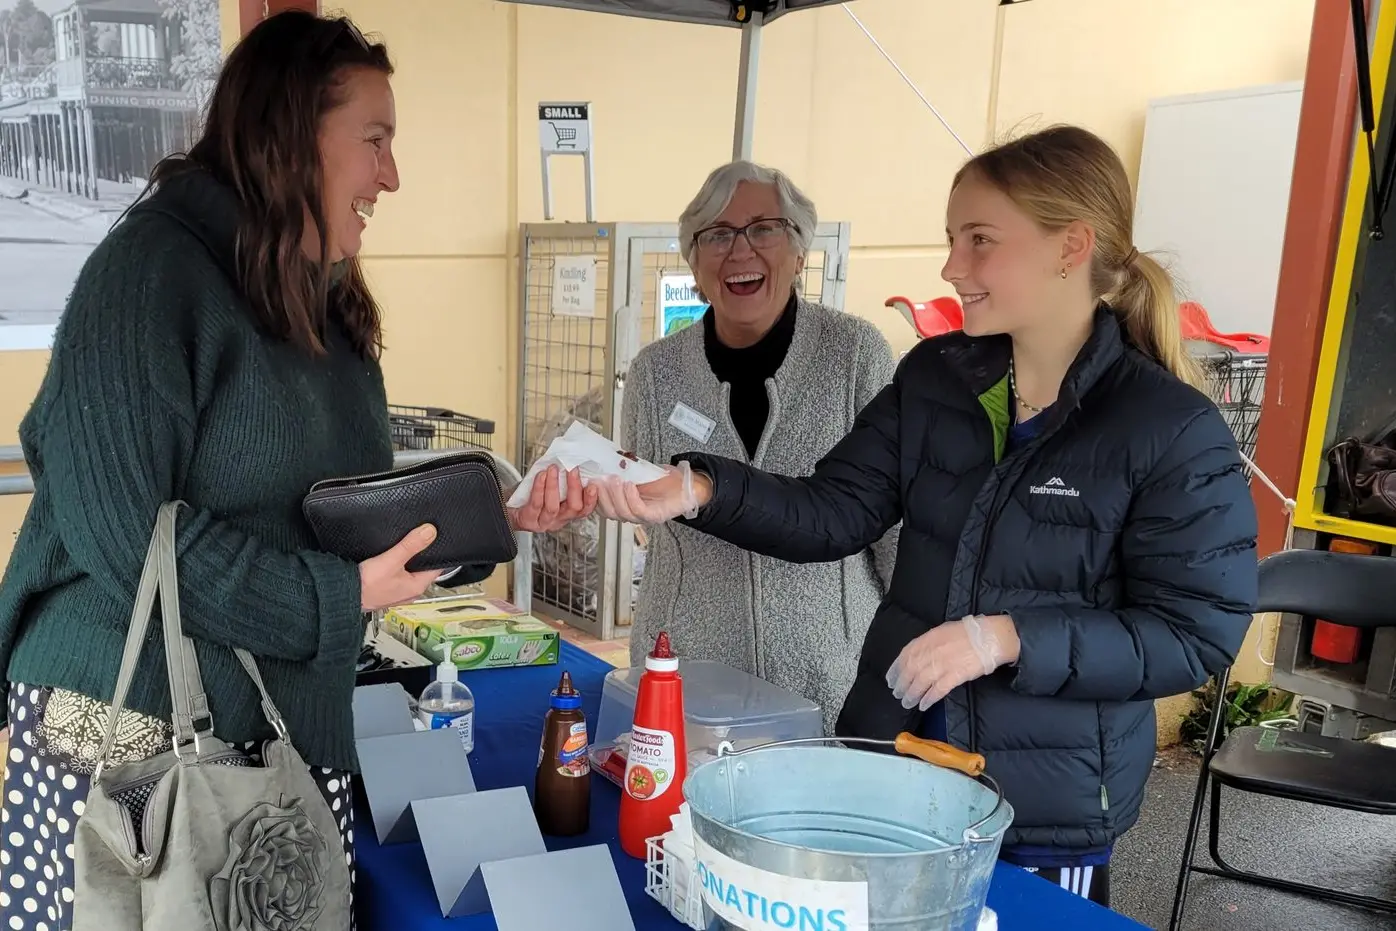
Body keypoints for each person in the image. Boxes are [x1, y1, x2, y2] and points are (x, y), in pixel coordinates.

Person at [511, 125, 1260, 908]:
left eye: (978, 241)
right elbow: (834, 511)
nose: (951, 267)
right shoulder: (938, 377)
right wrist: (702, 488)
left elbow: (1196, 632)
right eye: (951, 239)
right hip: (887, 774)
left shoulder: (1165, 427)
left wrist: (1003, 638)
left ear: (1070, 246)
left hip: (1038, 805)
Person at [0, 12, 444, 925]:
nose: (391, 176)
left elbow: (310, 505)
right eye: (375, 141)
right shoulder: (150, 272)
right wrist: (334, 597)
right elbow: (124, 533)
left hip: (275, 735)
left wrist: (482, 514)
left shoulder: (317, 290)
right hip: (133, 747)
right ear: (291, 133)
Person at [614, 160, 896, 733]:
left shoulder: (856, 356)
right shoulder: (654, 372)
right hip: (687, 677)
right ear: (694, 265)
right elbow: (645, 512)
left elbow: (894, 530)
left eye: (764, 228)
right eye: (716, 235)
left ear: (798, 251)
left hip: (830, 679)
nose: (739, 251)